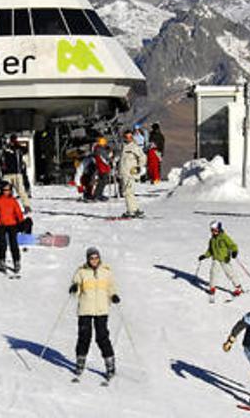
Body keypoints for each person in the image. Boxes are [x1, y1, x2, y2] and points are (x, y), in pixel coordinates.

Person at [69, 247, 119, 380]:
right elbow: (76, 283)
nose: (94, 260)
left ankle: (110, 364)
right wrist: (74, 287)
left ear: (99, 258)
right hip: (85, 309)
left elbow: (111, 286)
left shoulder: (106, 272)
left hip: (102, 309)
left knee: (102, 337)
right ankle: (80, 361)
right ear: (88, 259)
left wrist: (113, 295)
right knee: (84, 336)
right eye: (91, 258)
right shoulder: (81, 271)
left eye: (96, 257)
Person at [198, 221, 244, 302]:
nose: (213, 232)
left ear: (219, 229)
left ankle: (238, 287)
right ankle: (212, 288)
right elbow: (210, 250)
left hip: (225, 259)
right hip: (216, 259)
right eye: (212, 230)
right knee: (213, 273)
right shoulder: (212, 239)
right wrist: (205, 255)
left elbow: (232, 245)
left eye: (215, 230)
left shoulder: (224, 237)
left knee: (230, 274)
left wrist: (234, 251)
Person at [0, 182, 25, 274]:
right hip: (1, 225)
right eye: (4, 190)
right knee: (2, 244)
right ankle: (2, 261)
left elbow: (18, 212)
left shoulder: (13, 201)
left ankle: (16, 262)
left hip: (12, 224)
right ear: (1, 190)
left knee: (14, 244)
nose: (6, 192)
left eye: (8, 190)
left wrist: (21, 222)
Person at [119, 130, 146, 218]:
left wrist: (139, 167)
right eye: (127, 137)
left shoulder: (134, 147)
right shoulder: (123, 147)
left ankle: (130, 210)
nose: (129, 139)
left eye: (130, 137)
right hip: (124, 172)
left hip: (130, 172)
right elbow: (122, 159)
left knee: (128, 192)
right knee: (129, 192)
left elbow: (143, 157)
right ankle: (135, 209)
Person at [1, 135, 31, 212]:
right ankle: (4, 206)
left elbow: (25, 150)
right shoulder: (6, 149)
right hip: (7, 173)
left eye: (13, 140)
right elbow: (3, 157)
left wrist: (17, 145)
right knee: (4, 189)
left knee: (20, 190)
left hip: (17, 173)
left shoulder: (18, 149)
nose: (11, 142)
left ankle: (26, 206)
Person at [91, 137, 112, 201]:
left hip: (102, 167)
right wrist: (109, 159)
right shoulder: (99, 150)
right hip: (102, 168)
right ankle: (97, 195)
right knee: (102, 182)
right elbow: (104, 158)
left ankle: (98, 194)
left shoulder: (98, 149)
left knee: (102, 182)